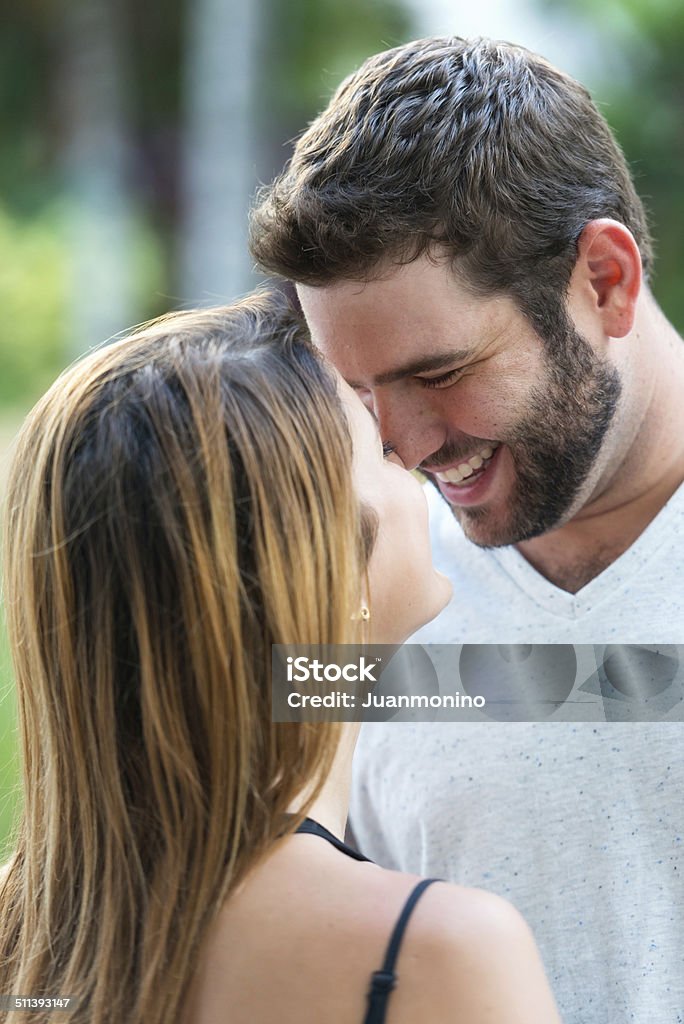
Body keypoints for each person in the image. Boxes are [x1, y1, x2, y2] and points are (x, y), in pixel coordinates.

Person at [249, 36, 684, 1023]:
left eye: (438, 374)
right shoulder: (371, 597)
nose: (397, 446)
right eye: (359, 389)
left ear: (605, 282)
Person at [0, 291, 561, 1023]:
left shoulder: (25, 935)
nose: (418, 459)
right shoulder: (438, 954)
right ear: (333, 566)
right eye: (382, 449)